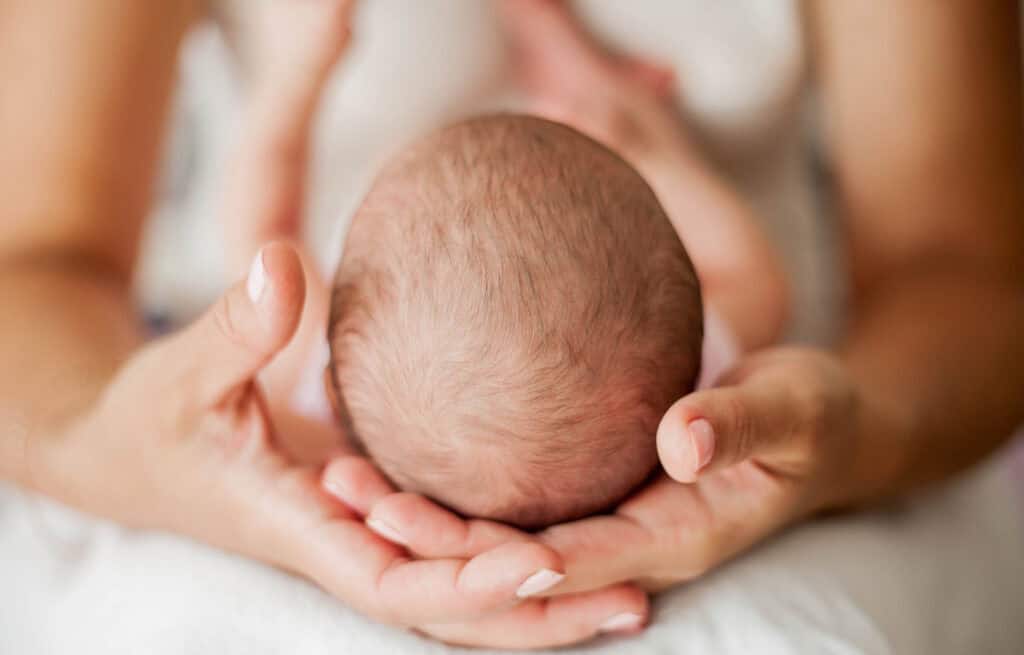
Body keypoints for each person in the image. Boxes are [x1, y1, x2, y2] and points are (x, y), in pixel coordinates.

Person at [1, 0, 1022, 651]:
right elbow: (748, 271)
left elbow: (259, 223)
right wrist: (647, 135)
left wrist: (294, 77)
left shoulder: (299, 412)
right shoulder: (718, 378)